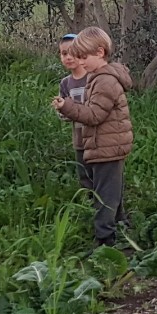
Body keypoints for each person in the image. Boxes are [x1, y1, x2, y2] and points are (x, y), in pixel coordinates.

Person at [51, 27, 133, 247]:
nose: (80, 62)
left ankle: (105, 239)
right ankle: (120, 224)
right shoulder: (98, 78)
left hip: (108, 146)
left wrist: (67, 106)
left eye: (83, 57)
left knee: (105, 195)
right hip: (105, 145)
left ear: (99, 52)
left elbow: (95, 115)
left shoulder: (105, 81)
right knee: (109, 189)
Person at [57, 32, 94, 193]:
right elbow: (63, 109)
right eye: (64, 53)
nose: (68, 57)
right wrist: (62, 110)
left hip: (96, 137)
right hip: (79, 138)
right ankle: (89, 205)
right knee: (84, 174)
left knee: (100, 173)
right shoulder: (65, 83)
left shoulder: (93, 77)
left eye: (72, 52)